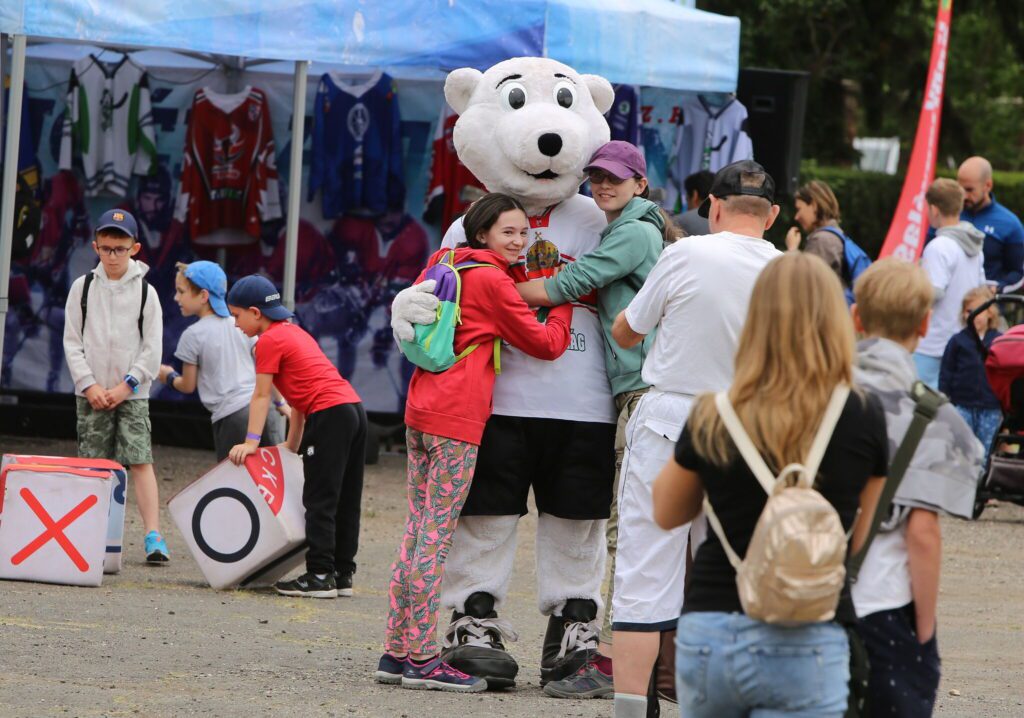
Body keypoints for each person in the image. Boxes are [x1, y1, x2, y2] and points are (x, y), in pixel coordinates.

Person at [652, 252, 888, 718]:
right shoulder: (862, 413)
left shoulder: (713, 412)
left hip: (713, 625)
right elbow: (858, 539)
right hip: (810, 630)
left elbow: (666, 512)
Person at [377, 193, 574, 693]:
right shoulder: (490, 280)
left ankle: (396, 652)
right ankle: (423, 658)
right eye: (508, 232)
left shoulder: (446, 262)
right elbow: (547, 344)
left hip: (422, 408)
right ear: (482, 233)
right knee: (436, 538)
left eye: (523, 232)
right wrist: (564, 297)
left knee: (417, 531)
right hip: (457, 418)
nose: (519, 241)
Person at [609, 160, 783, 718]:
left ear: (712, 205)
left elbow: (627, 328)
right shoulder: (789, 270)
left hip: (671, 413)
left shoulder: (684, 252)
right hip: (749, 424)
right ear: (773, 216)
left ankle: (632, 707)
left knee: (645, 564)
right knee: (729, 569)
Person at [515, 140, 671, 699]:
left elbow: (569, 284)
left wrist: (495, 287)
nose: (603, 185)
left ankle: (609, 658)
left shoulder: (635, 231)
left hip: (642, 393)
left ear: (640, 183)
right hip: (636, 392)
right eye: (596, 177)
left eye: (615, 178)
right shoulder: (630, 224)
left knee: (624, 527)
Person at [851, 258, 984, 716]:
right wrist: (924, 635)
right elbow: (922, 533)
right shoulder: (936, 420)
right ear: (926, 323)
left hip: (797, 596)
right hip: (881, 605)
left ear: (857, 318)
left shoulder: (813, 391)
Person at [226, 275, 366, 600]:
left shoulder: (268, 341)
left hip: (330, 414)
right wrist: (291, 445)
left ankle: (319, 575)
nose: (235, 324)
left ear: (255, 312)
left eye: (236, 316)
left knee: (320, 499)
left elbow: (261, 396)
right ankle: (341, 573)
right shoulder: (294, 332)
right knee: (345, 498)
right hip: (353, 409)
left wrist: (251, 442)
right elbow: (298, 401)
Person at [62, 209, 168, 563]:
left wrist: (127, 386)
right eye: (106, 248)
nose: (112, 256)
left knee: (139, 459)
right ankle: (90, 531)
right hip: (90, 393)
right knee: (93, 464)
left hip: (132, 393)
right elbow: (72, 342)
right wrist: (89, 385)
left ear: (135, 248)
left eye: (120, 249)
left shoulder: (146, 292)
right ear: (95, 247)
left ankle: (153, 535)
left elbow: (152, 348)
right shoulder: (83, 287)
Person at [157, 261, 287, 462]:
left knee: (235, 485)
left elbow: (188, 385)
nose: (176, 298)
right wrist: (280, 402)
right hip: (264, 411)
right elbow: (268, 368)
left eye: (181, 291)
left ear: (203, 296)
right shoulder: (242, 324)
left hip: (231, 418)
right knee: (274, 476)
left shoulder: (192, 335)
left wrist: (168, 376)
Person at [914, 178, 986, 388]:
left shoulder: (938, 247)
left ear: (934, 210)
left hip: (932, 342)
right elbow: (980, 289)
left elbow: (933, 293)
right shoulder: (975, 246)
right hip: (960, 339)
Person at [940, 285, 1003, 454]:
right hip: (963, 405)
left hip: (991, 407)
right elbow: (946, 372)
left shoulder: (999, 341)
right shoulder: (957, 341)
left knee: (986, 449)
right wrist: (946, 399)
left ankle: (983, 479)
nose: (974, 316)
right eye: (969, 311)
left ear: (990, 313)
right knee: (961, 448)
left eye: (979, 311)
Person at [957, 156, 1024, 290]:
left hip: (986, 306)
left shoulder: (1010, 224)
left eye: (969, 190)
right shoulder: (949, 213)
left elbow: (1018, 273)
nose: (964, 195)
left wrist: (997, 289)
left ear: (988, 185)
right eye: (960, 189)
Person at [785, 179, 849, 287]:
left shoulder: (822, 241)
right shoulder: (835, 236)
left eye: (799, 209)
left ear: (814, 205)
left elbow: (804, 286)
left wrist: (792, 250)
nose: (796, 217)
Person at [672, 169, 713, 237]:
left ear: (694, 195)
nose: (687, 207)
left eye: (687, 199)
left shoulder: (680, 221)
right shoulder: (728, 220)